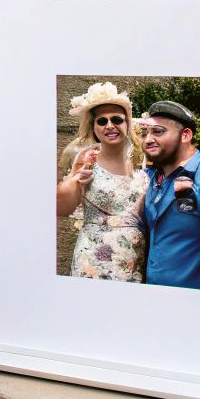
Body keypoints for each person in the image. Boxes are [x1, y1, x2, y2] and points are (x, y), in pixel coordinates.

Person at [56, 82, 147, 282]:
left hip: (133, 261)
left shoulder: (144, 162)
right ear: (94, 127)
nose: (109, 126)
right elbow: (62, 208)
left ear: (127, 124)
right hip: (92, 260)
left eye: (116, 119)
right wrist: (76, 181)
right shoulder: (85, 160)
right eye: (102, 121)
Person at [138, 100, 200, 291]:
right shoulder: (147, 178)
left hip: (193, 299)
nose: (148, 140)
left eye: (158, 131)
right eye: (145, 133)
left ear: (185, 134)